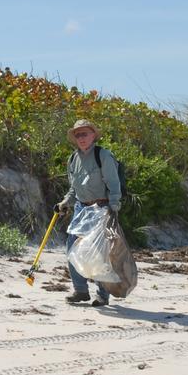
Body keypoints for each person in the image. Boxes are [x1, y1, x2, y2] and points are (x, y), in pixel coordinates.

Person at [54, 119, 122, 307]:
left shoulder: (103, 155)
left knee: (100, 252)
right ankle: (81, 291)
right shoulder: (73, 159)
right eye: (78, 135)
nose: (81, 138)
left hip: (102, 208)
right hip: (81, 210)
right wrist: (64, 203)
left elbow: (114, 184)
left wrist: (114, 207)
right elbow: (73, 189)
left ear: (93, 135)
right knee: (72, 249)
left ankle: (102, 295)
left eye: (85, 134)